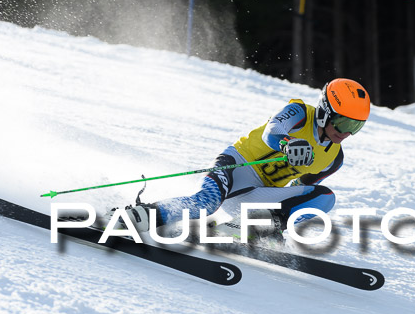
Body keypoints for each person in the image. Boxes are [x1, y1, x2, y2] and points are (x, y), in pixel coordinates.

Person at [113, 78, 371, 239]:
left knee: (325, 197)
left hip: (254, 195)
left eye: (356, 126)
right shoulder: (300, 112)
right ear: (326, 111)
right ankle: (139, 217)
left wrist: (277, 219)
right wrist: (288, 144)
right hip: (234, 167)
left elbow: (301, 191)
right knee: (206, 202)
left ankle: (252, 229)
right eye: (343, 121)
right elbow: (273, 132)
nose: (347, 132)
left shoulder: (333, 158)